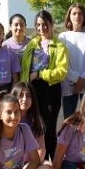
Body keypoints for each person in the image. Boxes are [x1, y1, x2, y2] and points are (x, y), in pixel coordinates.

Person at [21, 9, 68, 160]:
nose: (41, 28)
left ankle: (51, 161)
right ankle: (35, 160)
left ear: (51, 24)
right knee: (33, 125)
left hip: (51, 89)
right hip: (33, 89)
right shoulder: (32, 45)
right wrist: (24, 88)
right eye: (38, 25)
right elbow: (25, 69)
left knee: (49, 127)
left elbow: (61, 72)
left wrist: (40, 74)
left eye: (45, 24)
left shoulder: (59, 46)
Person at [58, 3, 85, 118]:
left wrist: (83, 80)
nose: (77, 16)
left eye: (80, 14)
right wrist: (76, 79)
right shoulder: (63, 37)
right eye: (74, 13)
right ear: (69, 16)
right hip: (69, 86)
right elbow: (61, 62)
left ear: (84, 17)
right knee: (69, 121)